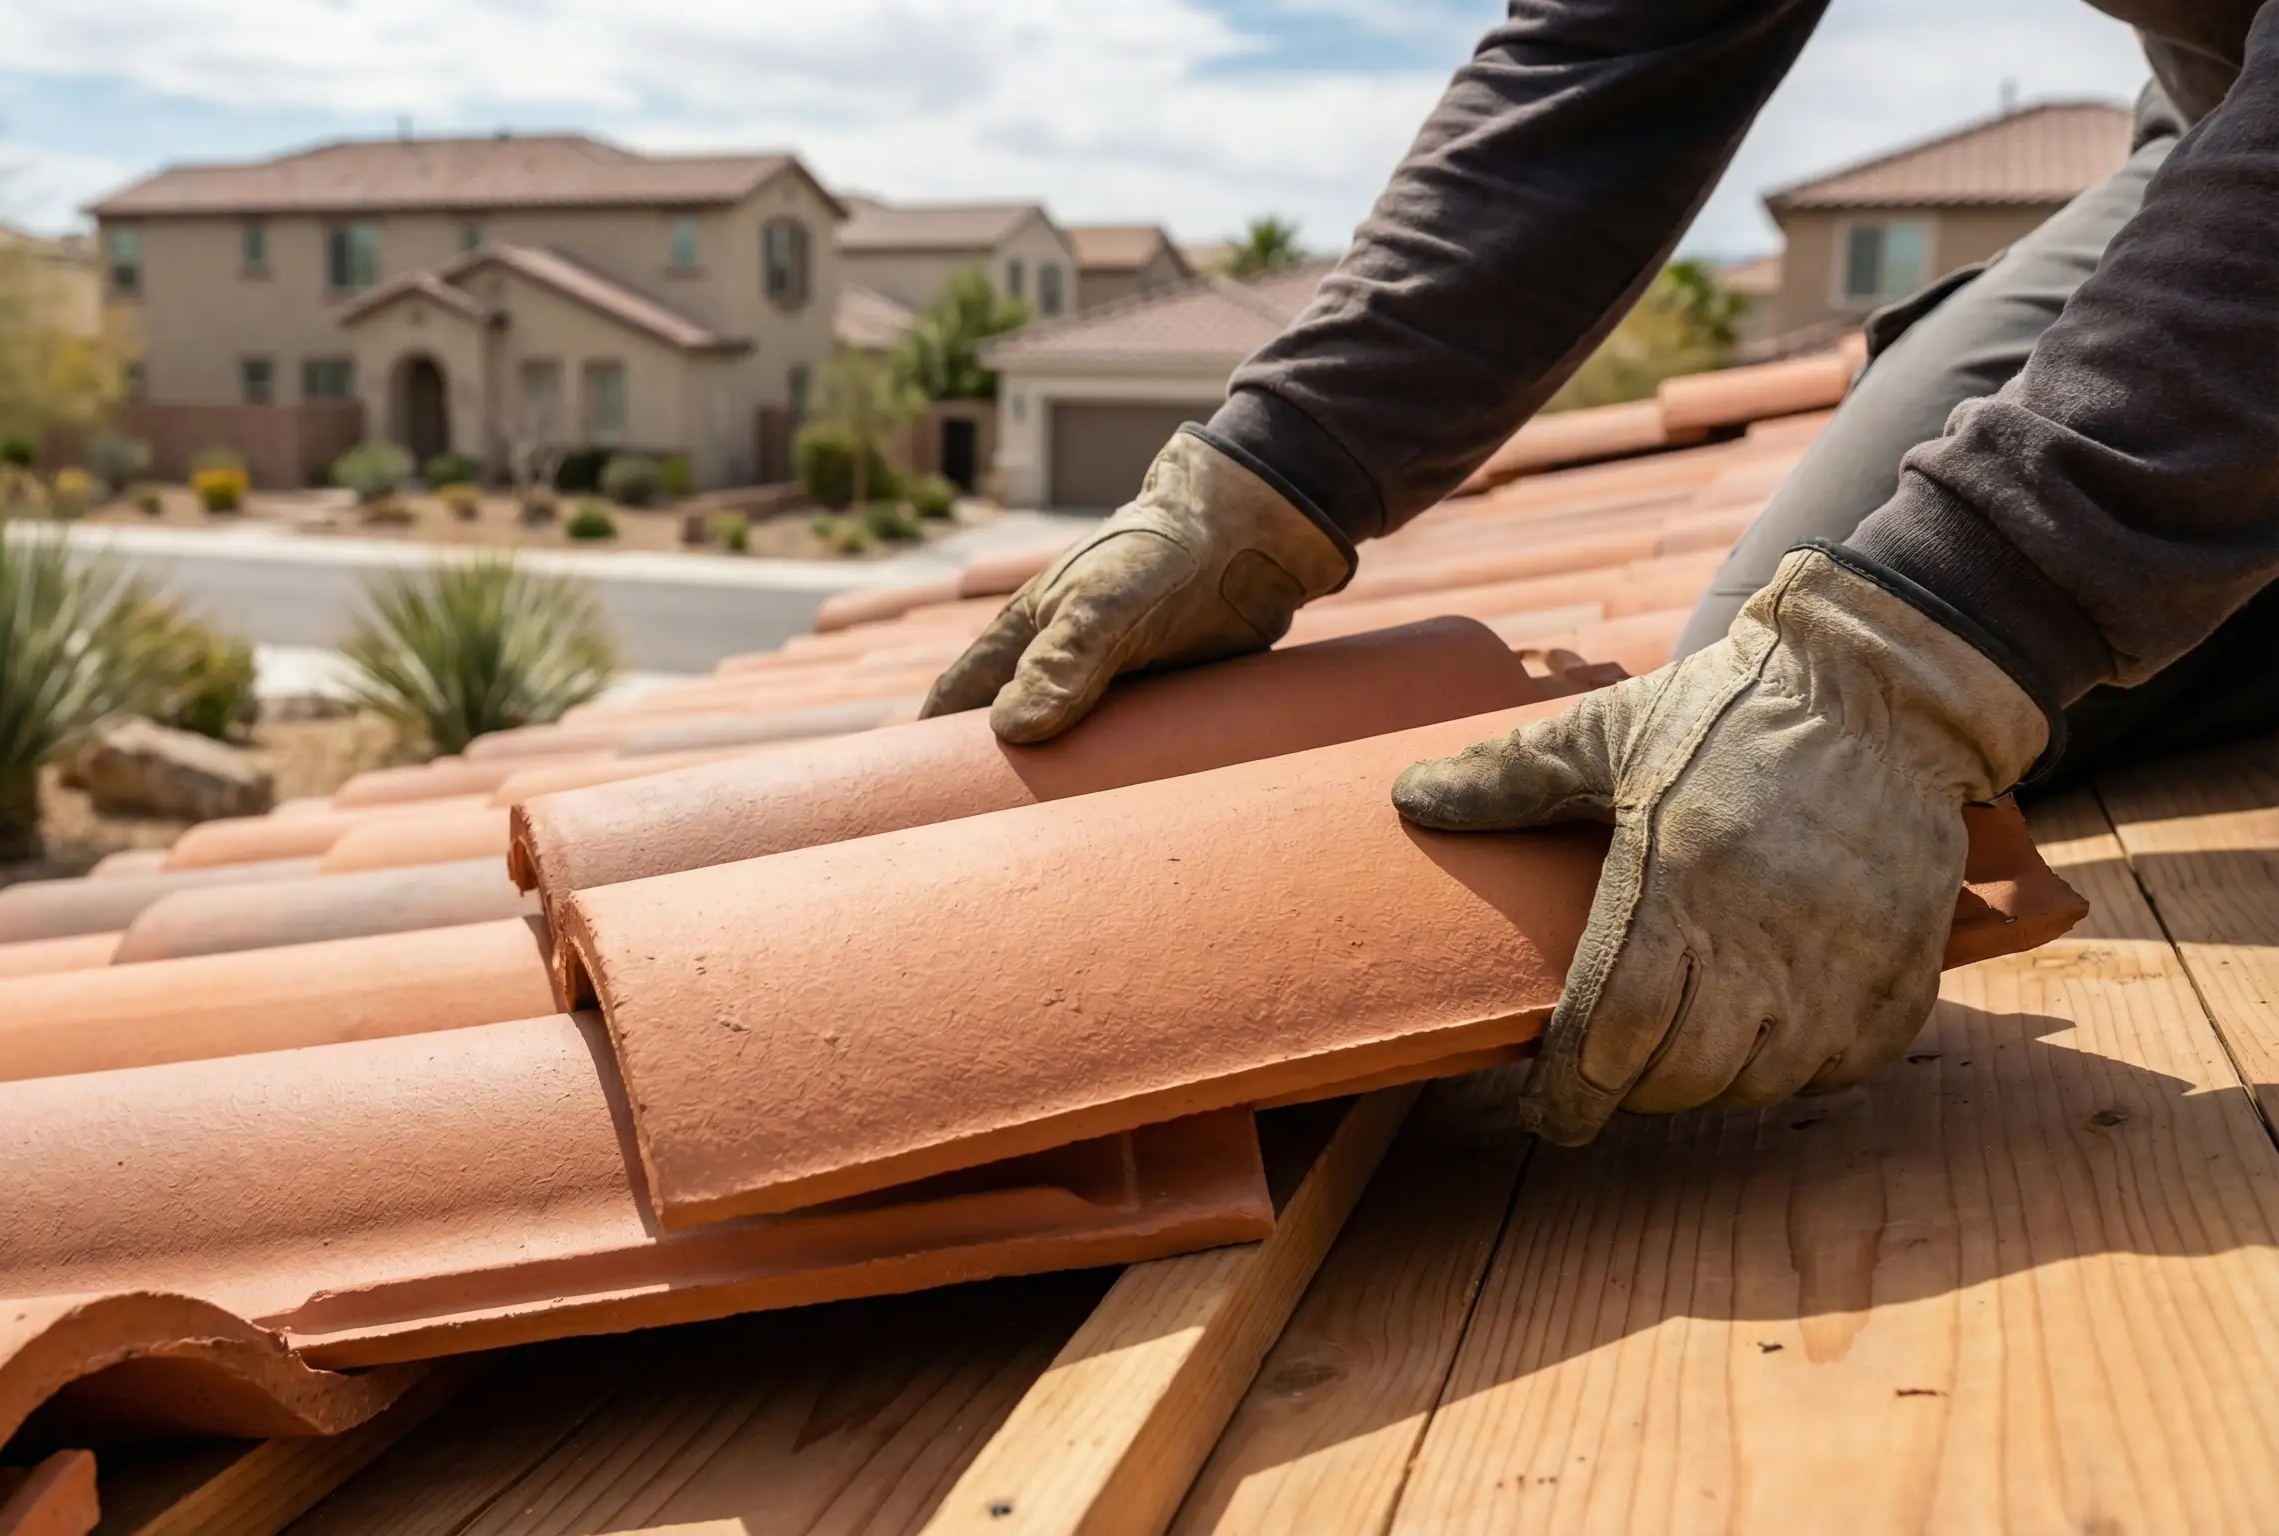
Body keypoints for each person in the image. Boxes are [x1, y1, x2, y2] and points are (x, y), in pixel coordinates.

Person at [922, 1, 2278, 1146]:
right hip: (2218, 140)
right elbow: (1608, 57)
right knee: (1745, 739)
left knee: (1915, 647)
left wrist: (1947, 642)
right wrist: (1262, 478)